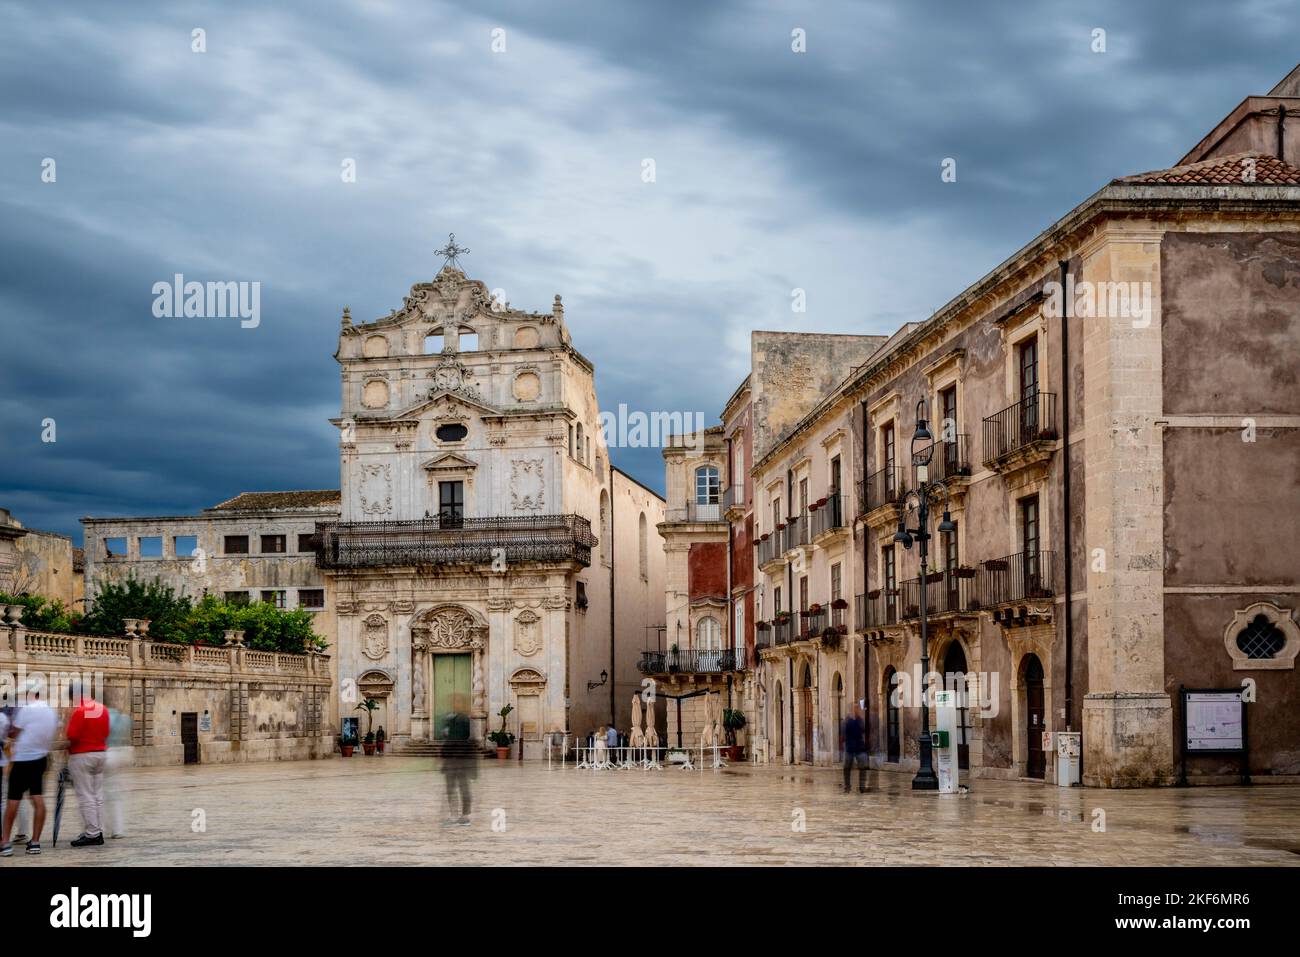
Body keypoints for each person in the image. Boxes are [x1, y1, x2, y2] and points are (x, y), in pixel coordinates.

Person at [1, 679, 57, 856]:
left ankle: (5, 843)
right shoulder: (50, 710)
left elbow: (14, 732)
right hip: (41, 758)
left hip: (23, 759)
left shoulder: (26, 710)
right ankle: (35, 842)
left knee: (13, 800)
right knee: (37, 798)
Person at [66, 683, 110, 847]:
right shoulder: (102, 708)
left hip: (82, 755)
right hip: (100, 753)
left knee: (85, 795)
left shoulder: (80, 711)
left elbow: (72, 735)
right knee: (97, 794)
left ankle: (92, 833)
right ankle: (98, 829)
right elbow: (106, 732)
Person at [439, 694, 475, 826]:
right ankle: (453, 815)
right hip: (451, 760)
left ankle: (465, 816)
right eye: (453, 702)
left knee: (463, 788)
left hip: (460, 759)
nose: (455, 704)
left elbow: (462, 738)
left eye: (457, 702)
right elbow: (447, 738)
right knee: (450, 788)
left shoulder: (464, 720)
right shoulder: (450, 718)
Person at [104, 702, 132, 838]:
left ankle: (99, 828)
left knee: (98, 794)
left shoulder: (100, 714)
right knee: (115, 795)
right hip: (122, 754)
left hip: (106, 754)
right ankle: (117, 829)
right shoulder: (123, 717)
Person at [842, 704, 868, 793]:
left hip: (859, 747)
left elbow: (863, 731)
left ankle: (862, 786)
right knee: (846, 768)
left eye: (857, 708)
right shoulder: (847, 720)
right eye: (855, 708)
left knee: (863, 768)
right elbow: (843, 733)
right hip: (850, 747)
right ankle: (847, 786)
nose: (857, 710)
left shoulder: (860, 720)